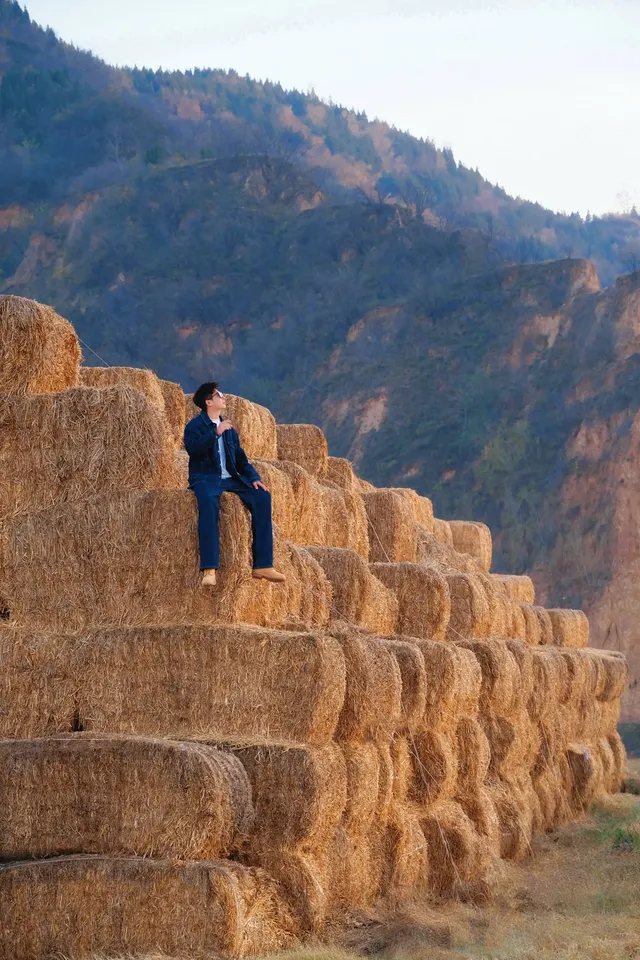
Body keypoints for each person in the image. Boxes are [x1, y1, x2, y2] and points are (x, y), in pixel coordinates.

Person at [184, 382, 286, 587]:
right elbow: (194, 451)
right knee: (208, 505)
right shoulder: (194, 426)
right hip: (205, 478)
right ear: (208, 402)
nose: (223, 397)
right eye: (218, 394)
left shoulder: (230, 430)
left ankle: (263, 564)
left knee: (262, 497)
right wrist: (215, 433)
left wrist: (255, 478)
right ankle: (209, 568)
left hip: (230, 478)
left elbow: (241, 459)